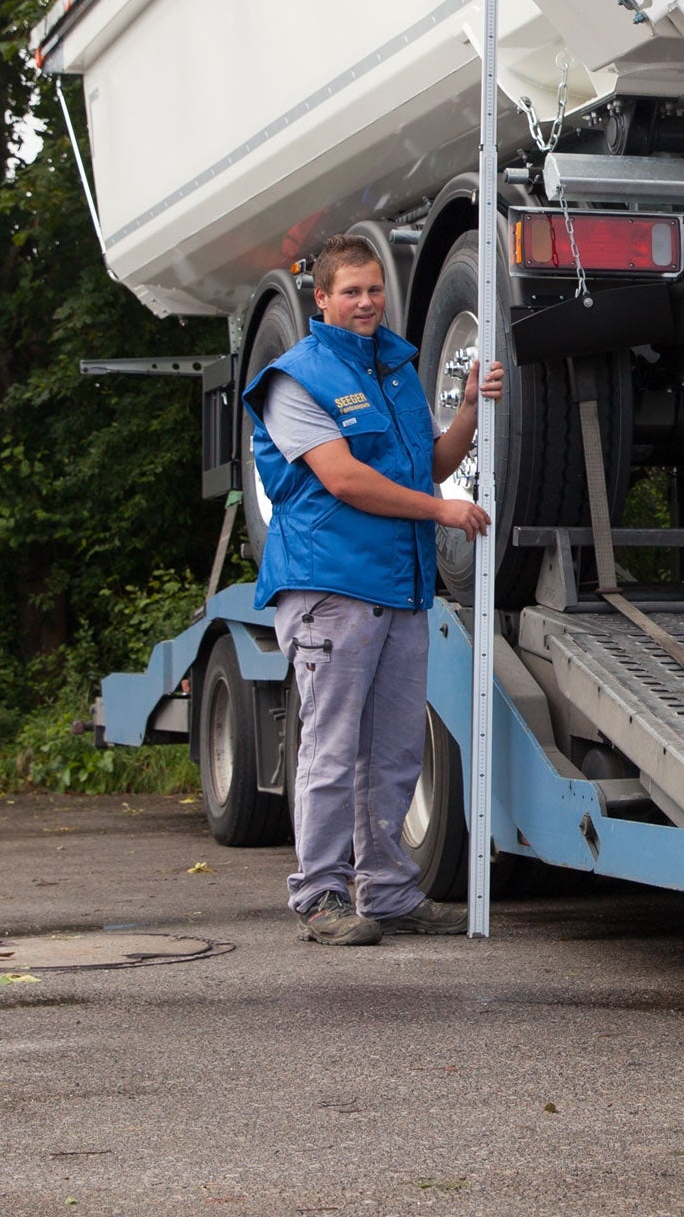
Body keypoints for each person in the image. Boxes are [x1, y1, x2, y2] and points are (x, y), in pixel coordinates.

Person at [243, 231, 502, 946]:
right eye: (350, 291)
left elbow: (430, 462)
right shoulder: (296, 379)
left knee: (393, 752)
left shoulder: (394, 366)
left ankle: (386, 891)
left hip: (396, 585)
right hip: (331, 587)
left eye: (373, 289)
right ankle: (319, 896)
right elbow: (344, 479)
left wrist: (471, 412)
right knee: (332, 749)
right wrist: (443, 509)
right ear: (320, 298)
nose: (365, 302)